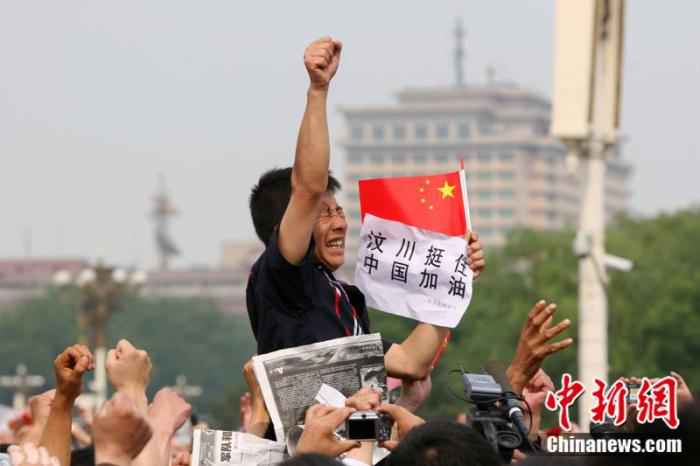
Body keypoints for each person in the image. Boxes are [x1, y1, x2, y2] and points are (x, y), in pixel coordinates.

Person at [246, 36, 486, 382]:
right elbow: (309, 188)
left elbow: (410, 362)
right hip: (305, 422)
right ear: (288, 224)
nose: (340, 223)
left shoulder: (343, 298)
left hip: (354, 421)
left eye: (339, 211)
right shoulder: (282, 278)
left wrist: (454, 279)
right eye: (324, 213)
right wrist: (318, 90)